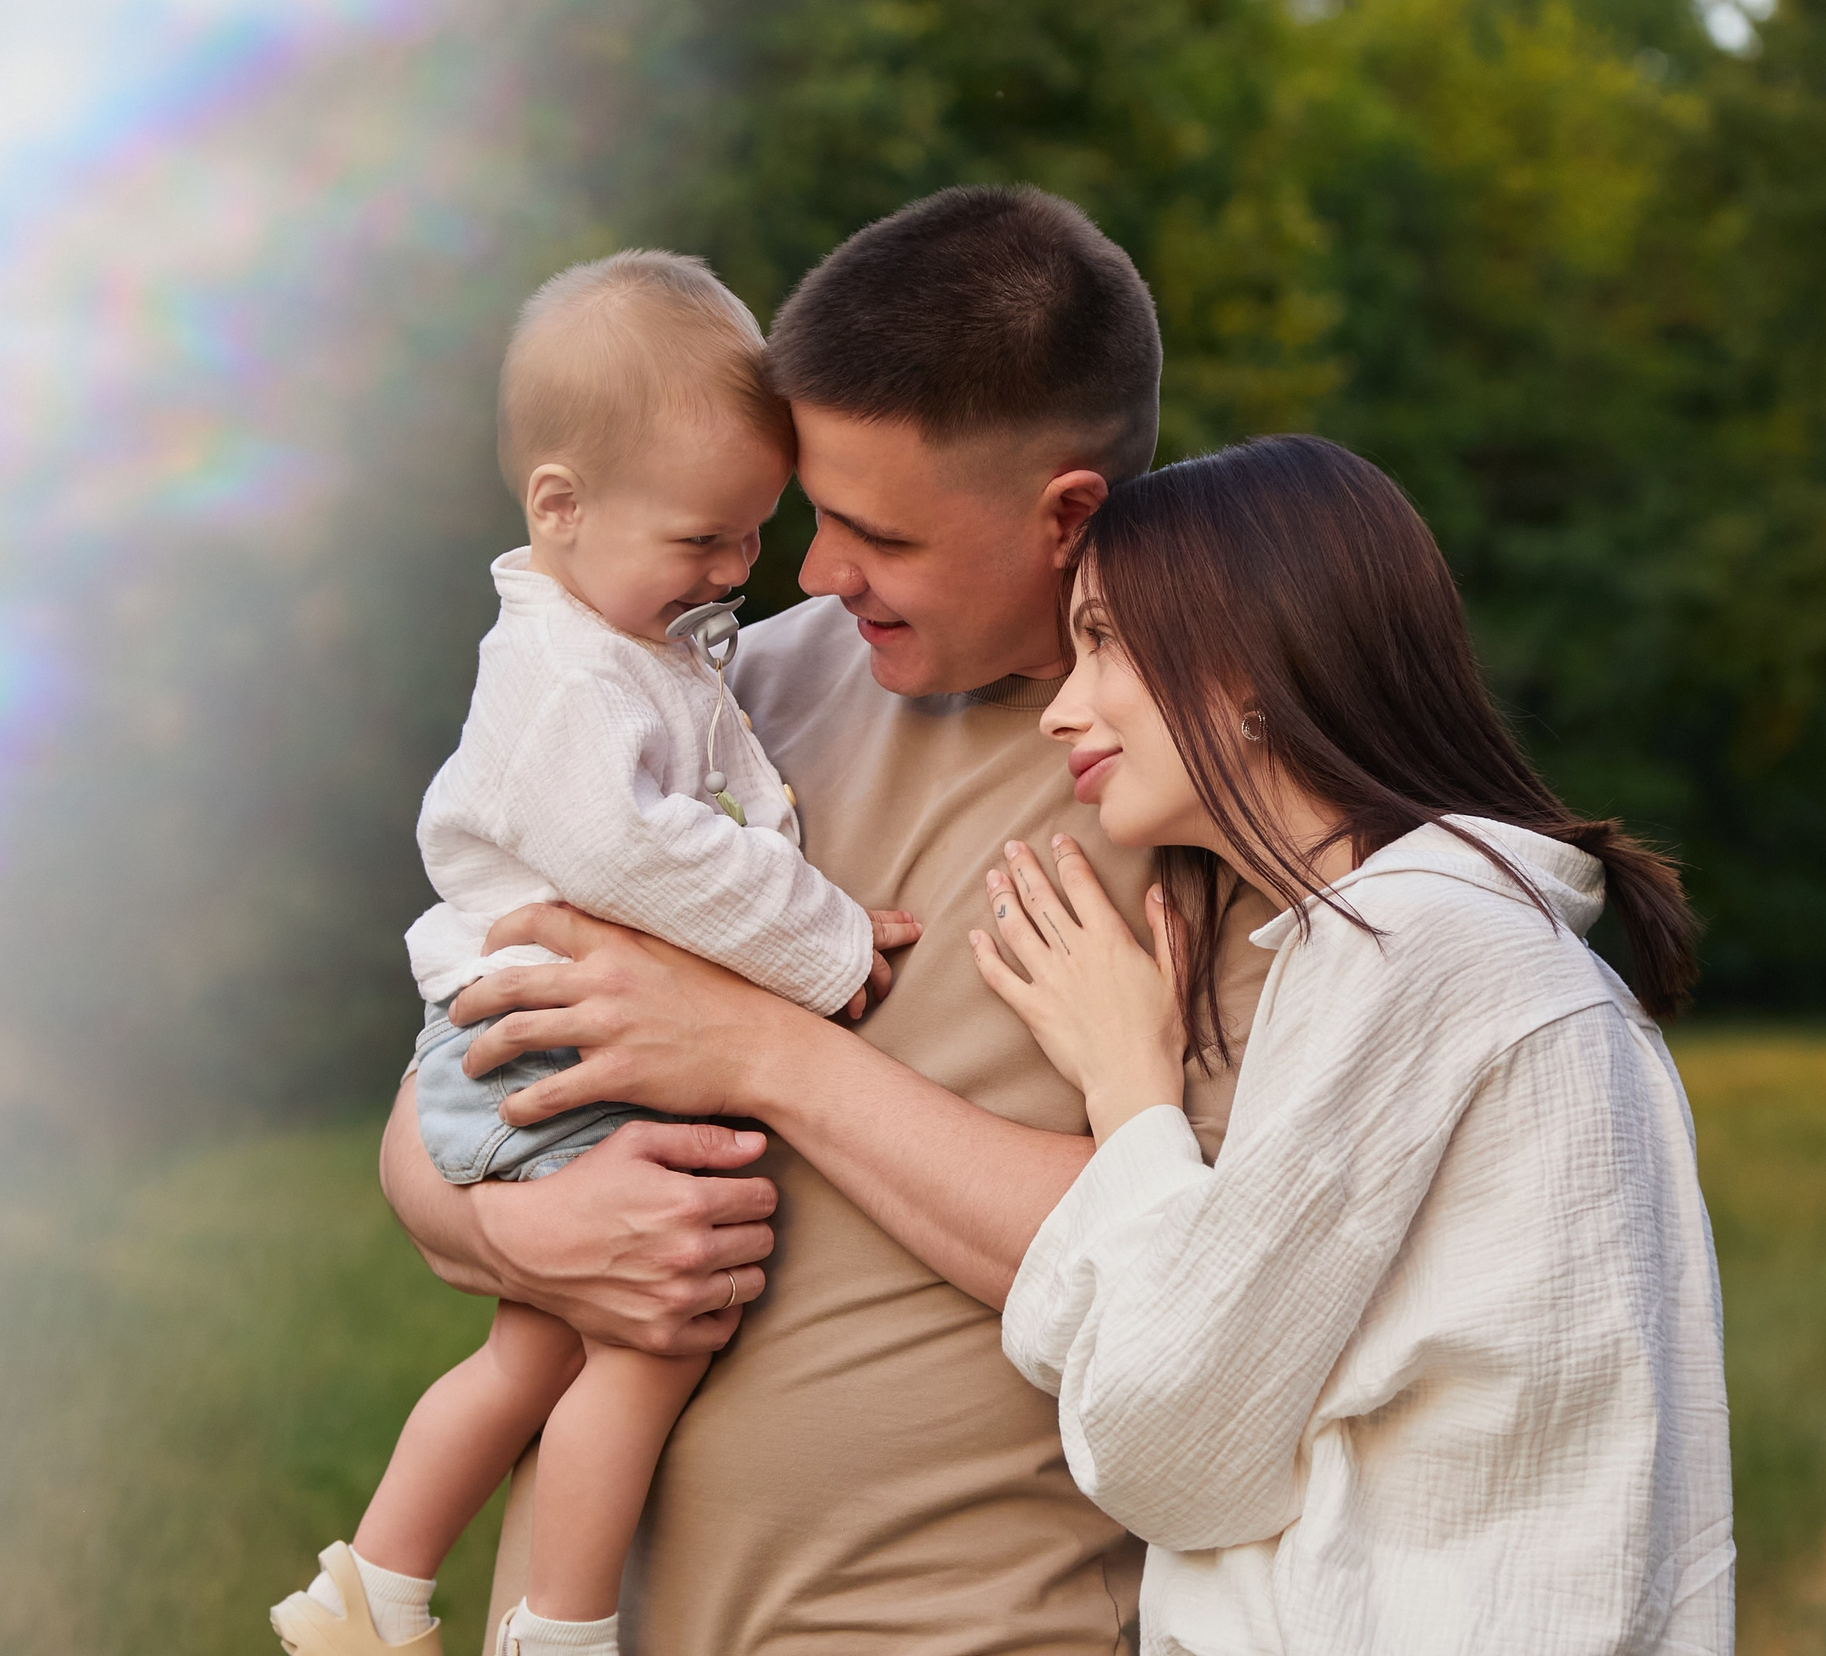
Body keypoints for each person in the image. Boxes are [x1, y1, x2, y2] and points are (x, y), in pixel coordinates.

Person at [378, 186, 1278, 1652]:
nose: (808, 572)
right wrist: (521, 1228)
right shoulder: (714, 692)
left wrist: (760, 1052)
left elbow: (1220, 1283)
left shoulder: (1213, 790)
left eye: (875, 532)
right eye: (808, 513)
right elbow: (437, 1103)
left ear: (1065, 514)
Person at [973, 433, 1736, 1652]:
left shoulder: (1415, 948)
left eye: (1103, 640)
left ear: (1252, 659)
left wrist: (1127, 1092)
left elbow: (1164, 1443)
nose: (1062, 708)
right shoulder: (1465, 947)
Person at [270, 250, 917, 1656]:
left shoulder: (626, 637)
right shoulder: (566, 674)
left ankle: (369, 1587)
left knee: (533, 1351)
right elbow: (636, 853)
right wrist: (824, 935)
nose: (736, 569)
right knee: (650, 1341)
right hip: (542, 1042)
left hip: (531, 1032)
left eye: (754, 532)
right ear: (559, 505)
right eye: (705, 539)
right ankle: (558, 1631)